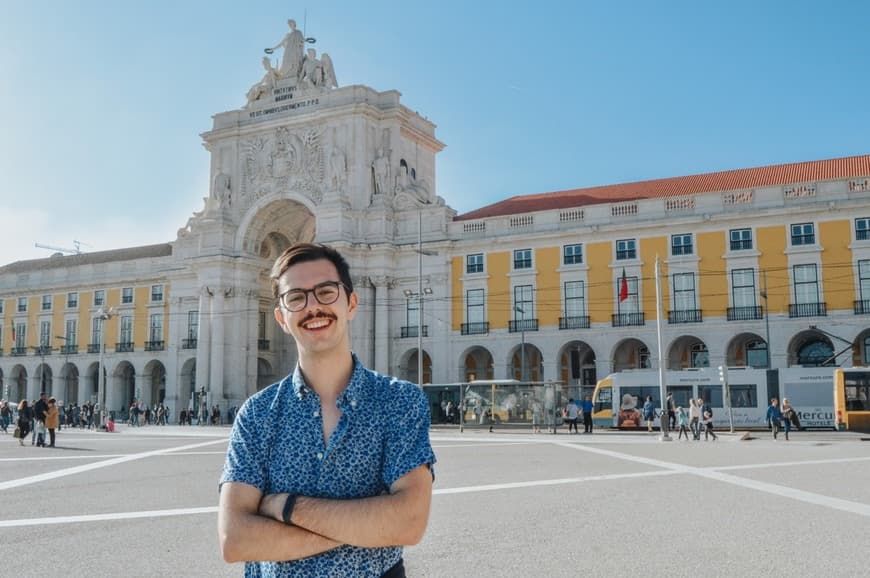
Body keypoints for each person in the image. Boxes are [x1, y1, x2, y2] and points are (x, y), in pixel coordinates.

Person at [218, 243, 436, 576]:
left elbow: (408, 523)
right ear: (281, 318)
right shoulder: (256, 414)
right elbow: (235, 540)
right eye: (296, 298)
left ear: (351, 303)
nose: (313, 307)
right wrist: (365, 528)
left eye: (325, 292)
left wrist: (286, 507)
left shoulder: (400, 402)